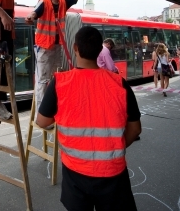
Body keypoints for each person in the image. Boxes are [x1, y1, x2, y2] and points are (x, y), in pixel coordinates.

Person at [36, 26, 140, 211]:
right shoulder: (120, 84)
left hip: (75, 173)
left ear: (75, 48)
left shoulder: (60, 82)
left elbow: (42, 121)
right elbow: (135, 129)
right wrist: (116, 146)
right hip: (113, 173)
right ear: (101, 50)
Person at [25, 0, 89, 113]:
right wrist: (31, 17)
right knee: (42, 81)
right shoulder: (44, 2)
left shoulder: (64, 2)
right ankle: (41, 114)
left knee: (54, 80)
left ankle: (53, 110)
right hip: (44, 48)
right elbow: (35, 12)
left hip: (57, 47)